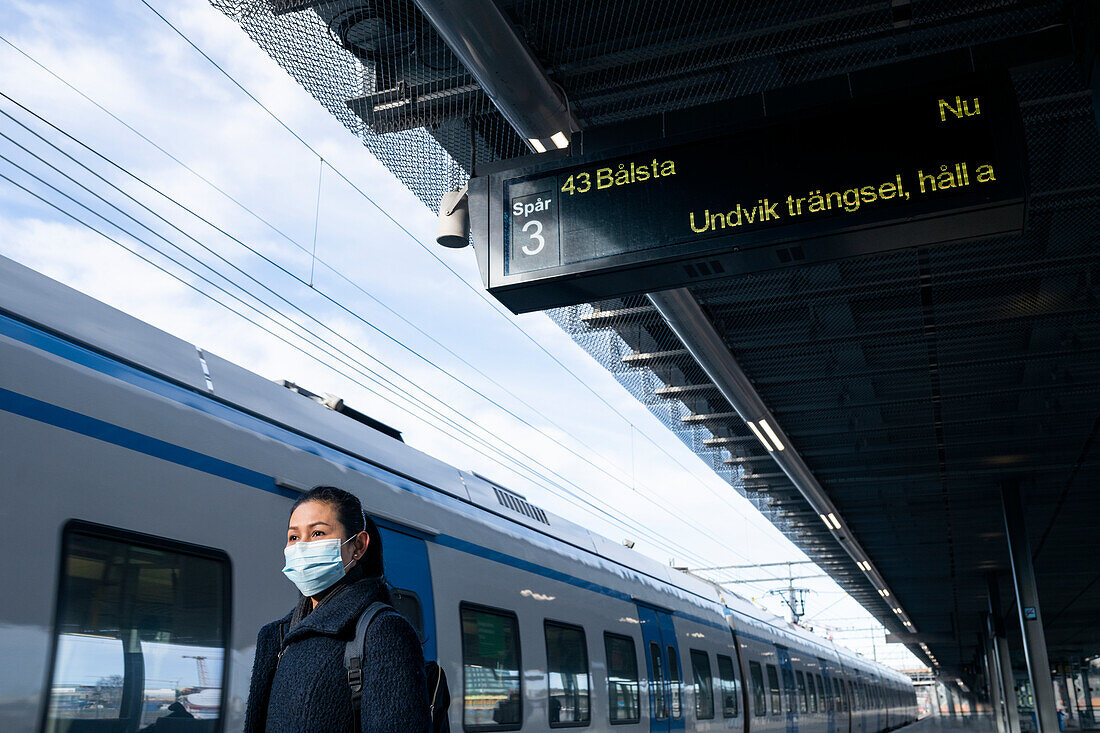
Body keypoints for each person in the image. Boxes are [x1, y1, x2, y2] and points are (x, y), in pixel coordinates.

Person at [244, 486, 430, 732]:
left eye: (318, 533)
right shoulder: (275, 638)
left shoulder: (384, 632)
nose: (301, 548)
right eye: (294, 537)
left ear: (359, 546)